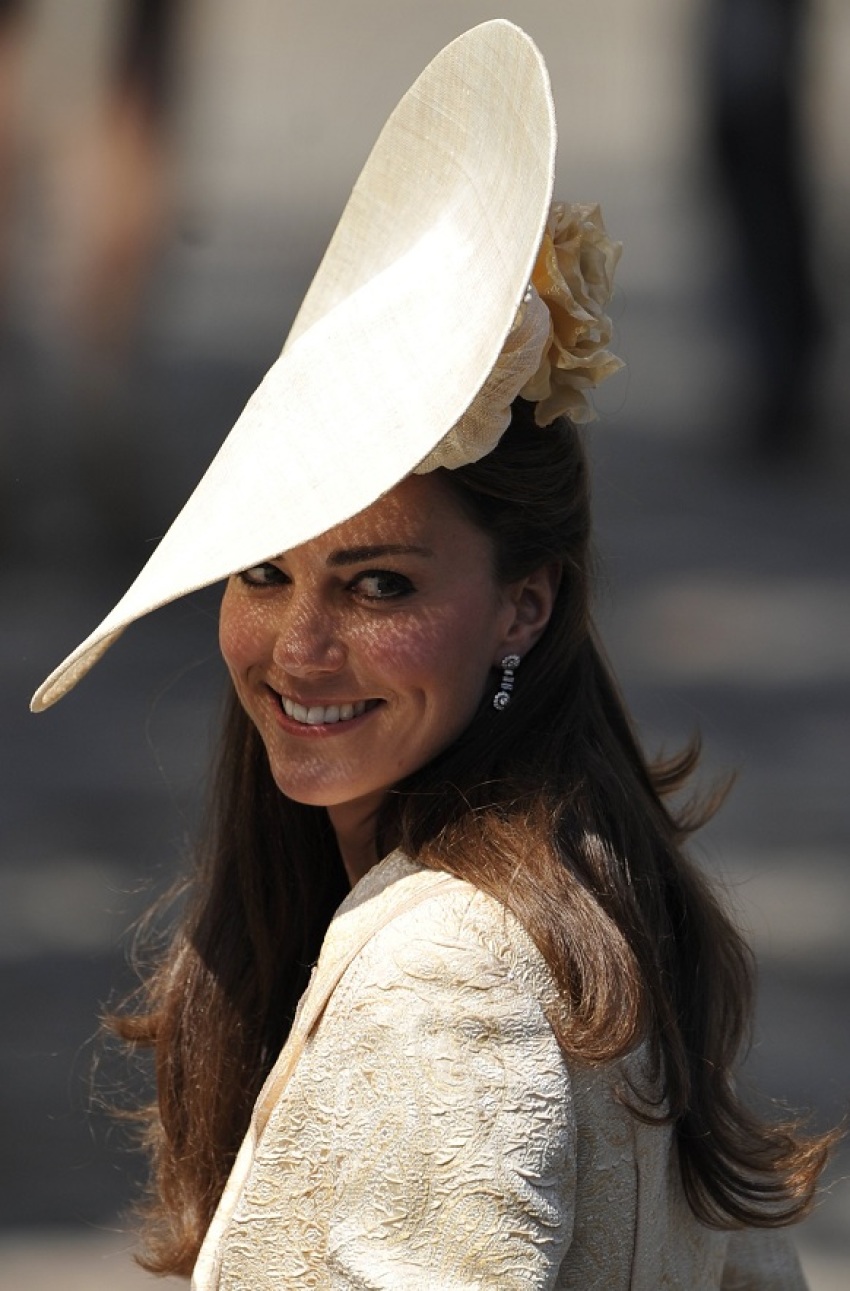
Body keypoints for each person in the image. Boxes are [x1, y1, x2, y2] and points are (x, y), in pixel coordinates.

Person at [32, 21, 832, 1289]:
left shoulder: (444, 976)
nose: (298, 645)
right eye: (264, 570)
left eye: (379, 583)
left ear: (526, 604)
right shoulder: (594, 897)